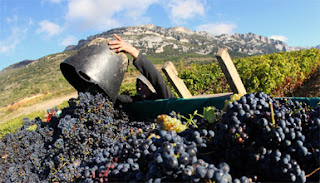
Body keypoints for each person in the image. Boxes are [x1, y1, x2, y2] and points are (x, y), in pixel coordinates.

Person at [108, 34, 174, 107]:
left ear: (150, 86)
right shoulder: (139, 100)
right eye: (138, 85)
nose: (139, 88)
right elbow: (119, 99)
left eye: (143, 85)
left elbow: (157, 79)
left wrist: (133, 51)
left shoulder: (164, 97)